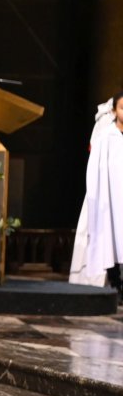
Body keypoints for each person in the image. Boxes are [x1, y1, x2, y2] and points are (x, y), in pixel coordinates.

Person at [70, 92, 123, 288]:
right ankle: (112, 282)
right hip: (108, 196)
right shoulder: (106, 134)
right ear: (114, 110)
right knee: (107, 239)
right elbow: (97, 165)